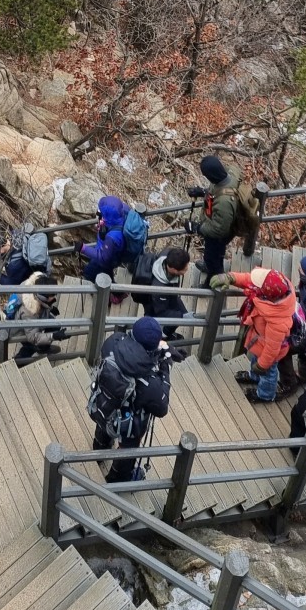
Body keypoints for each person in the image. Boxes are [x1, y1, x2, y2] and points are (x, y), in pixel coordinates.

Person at [89, 315, 174, 481]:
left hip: (104, 404)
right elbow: (161, 407)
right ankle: (117, 478)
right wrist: (165, 366)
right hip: (129, 424)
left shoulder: (112, 342)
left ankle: (100, 448)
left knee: (105, 420)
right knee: (128, 449)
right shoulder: (150, 384)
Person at [211, 265, 297, 405]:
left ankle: (265, 395)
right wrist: (231, 277)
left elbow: (272, 349)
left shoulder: (278, 322)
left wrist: (263, 365)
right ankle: (254, 376)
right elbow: (250, 279)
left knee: (269, 374)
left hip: (269, 352)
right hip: (258, 341)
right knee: (254, 361)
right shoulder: (280, 285)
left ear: (266, 293)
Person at [189, 156, 242, 286]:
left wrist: (196, 228)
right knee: (213, 256)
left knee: (213, 258)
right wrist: (202, 192)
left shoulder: (224, 202)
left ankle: (213, 282)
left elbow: (219, 229)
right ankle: (210, 266)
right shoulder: (226, 176)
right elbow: (215, 191)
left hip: (219, 235)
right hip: (221, 225)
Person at [131, 247, 191, 343]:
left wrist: (183, 314)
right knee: (154, 322)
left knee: (179, 315)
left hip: (167, 296)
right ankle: (163, 336)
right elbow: (161, 312)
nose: (187, 268)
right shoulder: (159, 289)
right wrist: (181, 316)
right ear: (174, 270)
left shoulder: (167, 254)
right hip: (154, 304)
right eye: (185, 268)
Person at [5, 271, 64, 367]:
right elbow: (33, 337)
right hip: (21, 329)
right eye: (52, 296)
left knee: (55, 325)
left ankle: (43, 348)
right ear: (43, 298)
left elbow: (41, 304)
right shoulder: (29, 310)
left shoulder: (37, 285)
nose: (55, 296)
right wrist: (53, 336)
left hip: (35, 317)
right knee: (30, 347)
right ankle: (16, 364)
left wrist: (50, 308)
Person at [79, 195, 129, 284]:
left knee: (89, 273)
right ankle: (118, 293)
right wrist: (103, 226)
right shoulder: (121, 212)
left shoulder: (112, 237)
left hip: (107, 258)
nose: (100, 213)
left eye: (102, 213)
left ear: (108, 216)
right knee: (107, 273)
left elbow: (103, 257)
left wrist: (83, 248)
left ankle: (112, 293)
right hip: (112, 254)